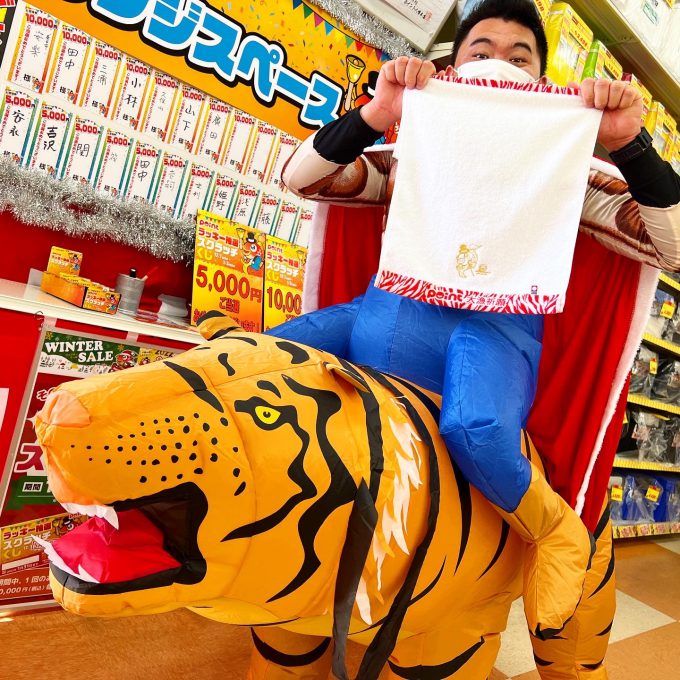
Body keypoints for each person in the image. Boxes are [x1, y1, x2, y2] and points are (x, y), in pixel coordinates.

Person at [269, 0, 680, 645]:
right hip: (384, 317)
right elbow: (301, 178)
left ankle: (555, 531)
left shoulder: (571, 180)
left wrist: (630, 143)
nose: (499, 66)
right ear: (452, 67)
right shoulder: (413, 158)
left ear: (543, 81)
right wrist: (378, 112)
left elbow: (674, 247)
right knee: (261, 359)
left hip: (495, 332)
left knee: (476, 426)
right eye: (480, 52)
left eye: (520, 57)